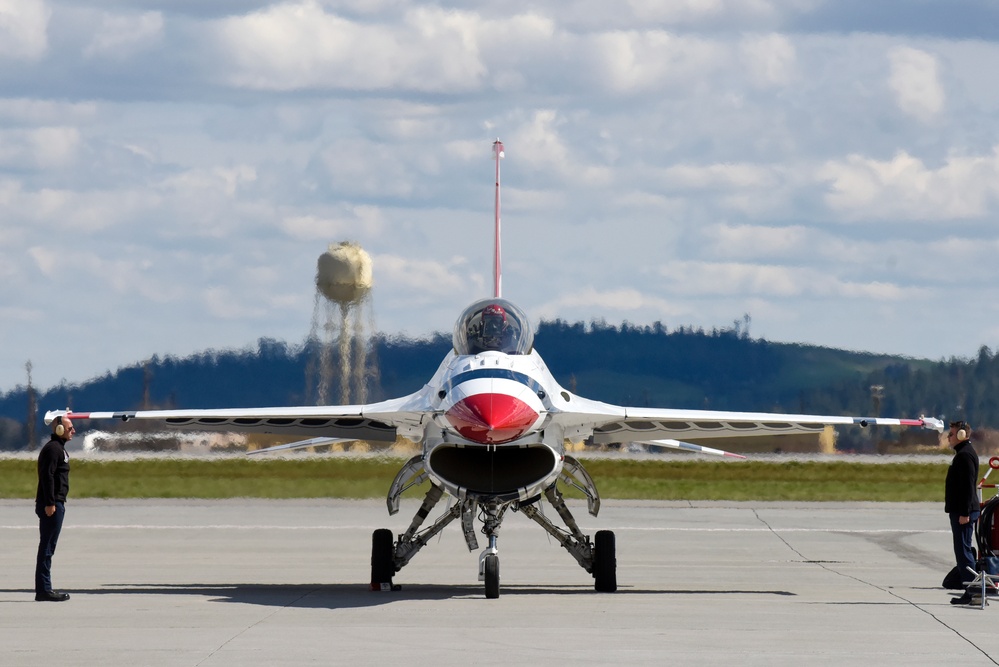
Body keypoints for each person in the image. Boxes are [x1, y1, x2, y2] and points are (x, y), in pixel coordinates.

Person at [35, 415, 73, 602]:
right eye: (69, 428)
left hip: (56, 503)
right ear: (59, 430)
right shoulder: (53, 450)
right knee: (47, 548)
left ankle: (44, 588)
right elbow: (47, 477)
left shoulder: (59, 449)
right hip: (52, 505)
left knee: (49, 547)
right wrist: (50, 503)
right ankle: (44, 590)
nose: (73, 431)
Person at [945, 420, 981, 604]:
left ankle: (973, 592)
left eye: (951, 434)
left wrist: (965, 513)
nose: (948, 437)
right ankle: (972, 590)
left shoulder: (965, 456)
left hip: (963, 512)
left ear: (960, 435)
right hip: (962, 510)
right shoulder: (963, 454)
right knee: (963, 551)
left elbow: (967, 487)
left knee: (964, 552)